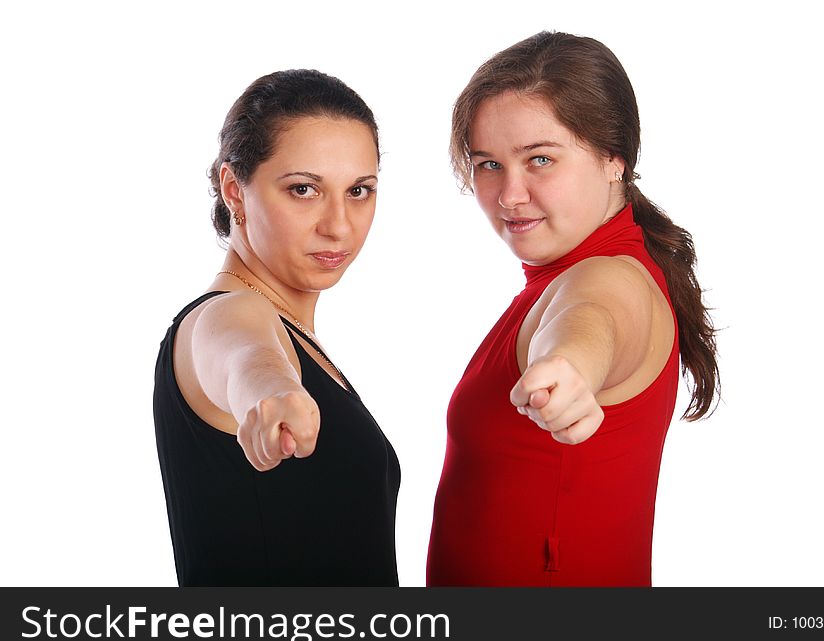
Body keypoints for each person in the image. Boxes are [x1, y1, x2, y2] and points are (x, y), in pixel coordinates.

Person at [427, 32, 719, 586]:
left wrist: (572, 366)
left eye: (540, 159)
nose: (509, 195)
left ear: (614, 159)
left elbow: (592, 318)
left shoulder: (609, 277)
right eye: (488, 164)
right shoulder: (563, 276)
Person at [153, 69, 399, 586]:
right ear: (234, 190)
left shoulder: (300, 337)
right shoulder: (225, 314)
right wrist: (272, 389)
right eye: (304, 189)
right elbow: (245, 353)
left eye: (359, 190)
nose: (339, 223)